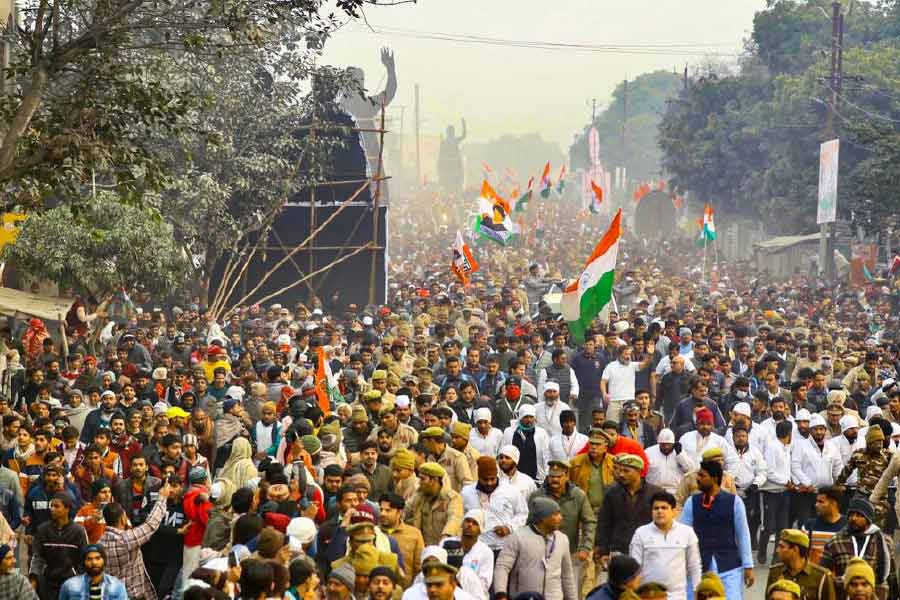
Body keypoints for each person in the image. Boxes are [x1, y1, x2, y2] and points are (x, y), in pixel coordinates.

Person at [679, 459, 754, 599]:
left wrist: (748, 566)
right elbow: (683, 535)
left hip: (730, 567)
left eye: (702, 476)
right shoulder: (691, 502)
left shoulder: (735, 502)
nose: (697, 479)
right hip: (699, 568)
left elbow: (743, 534)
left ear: (714, 478)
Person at [528, 459, 596, 596]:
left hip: (571, 553)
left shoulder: (578, 495)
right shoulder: (537, 496)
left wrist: (586, 547)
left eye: (559, 477)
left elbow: (589, 522)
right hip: (542, 553)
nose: (555, 480)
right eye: (552, 476)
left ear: (567, 476)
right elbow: (529, 524)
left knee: (570, 590)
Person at [98, 481, 173, 600]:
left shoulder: (99, 543)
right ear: (123, 518)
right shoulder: (126, 539)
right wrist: (162, 498)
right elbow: (151, 524)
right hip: (131, 595)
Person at [493, 497, 578, 600]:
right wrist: (500, 594)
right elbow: (502, 567)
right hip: (524, 597)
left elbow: (567, 574)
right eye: (555, 514)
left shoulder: (562, 539)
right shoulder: (518, 537)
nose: (560, 518)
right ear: (542, 518)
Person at [629, 491, 701, 600]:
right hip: (649, 596)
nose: (660, 511)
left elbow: (694, 565)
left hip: (678, 596)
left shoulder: (687, 532)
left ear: (674, 511)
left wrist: (697, 591)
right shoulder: (641, 533)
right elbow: (634, 568)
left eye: (664, 508)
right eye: (656, 508)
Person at [595, 454, 662, 570]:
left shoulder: (655, 493)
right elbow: (604, 524)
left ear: (639, 472)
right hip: (619, 550)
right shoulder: (611, 493)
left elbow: (662, 523)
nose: (621, 474)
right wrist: (603, 551)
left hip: (648, 550)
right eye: (620, 470)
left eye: (626, 471)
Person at [820, 498, 891, 599]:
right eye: (851, 515)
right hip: (844, 595)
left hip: (876, 595)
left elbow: (891, 575)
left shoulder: (883, 541)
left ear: (868, 518)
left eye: (859, 515)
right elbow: (824, 573)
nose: (853, 518)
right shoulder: (836, 541)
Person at [460, 456, 528, 555]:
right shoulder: (467, 493)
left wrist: (509, 528)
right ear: (478, 477)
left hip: (504, 548)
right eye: (485, 479)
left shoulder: (510, 491)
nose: (489, 483)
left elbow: (523, 513)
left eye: (492, 479)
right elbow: (460, 517)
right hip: (476, 549)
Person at [29, 492, 89, 600]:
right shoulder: (43, 530)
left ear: (67, 509)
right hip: (47, 584)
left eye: (56, 506)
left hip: (72, 584)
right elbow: (37, 557)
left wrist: (80, 581)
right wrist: (33, 580)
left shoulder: (78, 531)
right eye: (51, 506)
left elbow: (84, 559)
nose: (52, 509)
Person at [403, 461, 463, 546]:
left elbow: (454, 519)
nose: (419, 482)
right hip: (423, 546)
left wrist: (445, 538)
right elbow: (405, 511)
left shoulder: (452, 498)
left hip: (444, 547)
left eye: (423, 479)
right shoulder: (419, 495)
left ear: (434, 480)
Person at [765, 529, 836, 600]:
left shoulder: (821, 577)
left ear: (796, 549)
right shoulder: (775, 572)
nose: (777, 550)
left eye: (782, 547)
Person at [58, 544, 128, 600]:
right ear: (84, 562)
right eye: (89, 559)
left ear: (104, 560)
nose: (94, 562)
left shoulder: (117, 586)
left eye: (98, 558)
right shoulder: (69, 585)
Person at [801, 486, 847, 564]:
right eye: (816, 501)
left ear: (834, 504)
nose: (816, 505)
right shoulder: (808, 526)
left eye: (821, 502)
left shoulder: (847, 526)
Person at [644, 428, 695, 494]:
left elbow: (691, 469)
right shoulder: (648, 452)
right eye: (663, 444)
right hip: (653, 490)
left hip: (675, 490)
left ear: (673, 443)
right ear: (659, 443)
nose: (666, 447)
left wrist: (680, 455)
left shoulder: (680, 452)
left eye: (669, 444)